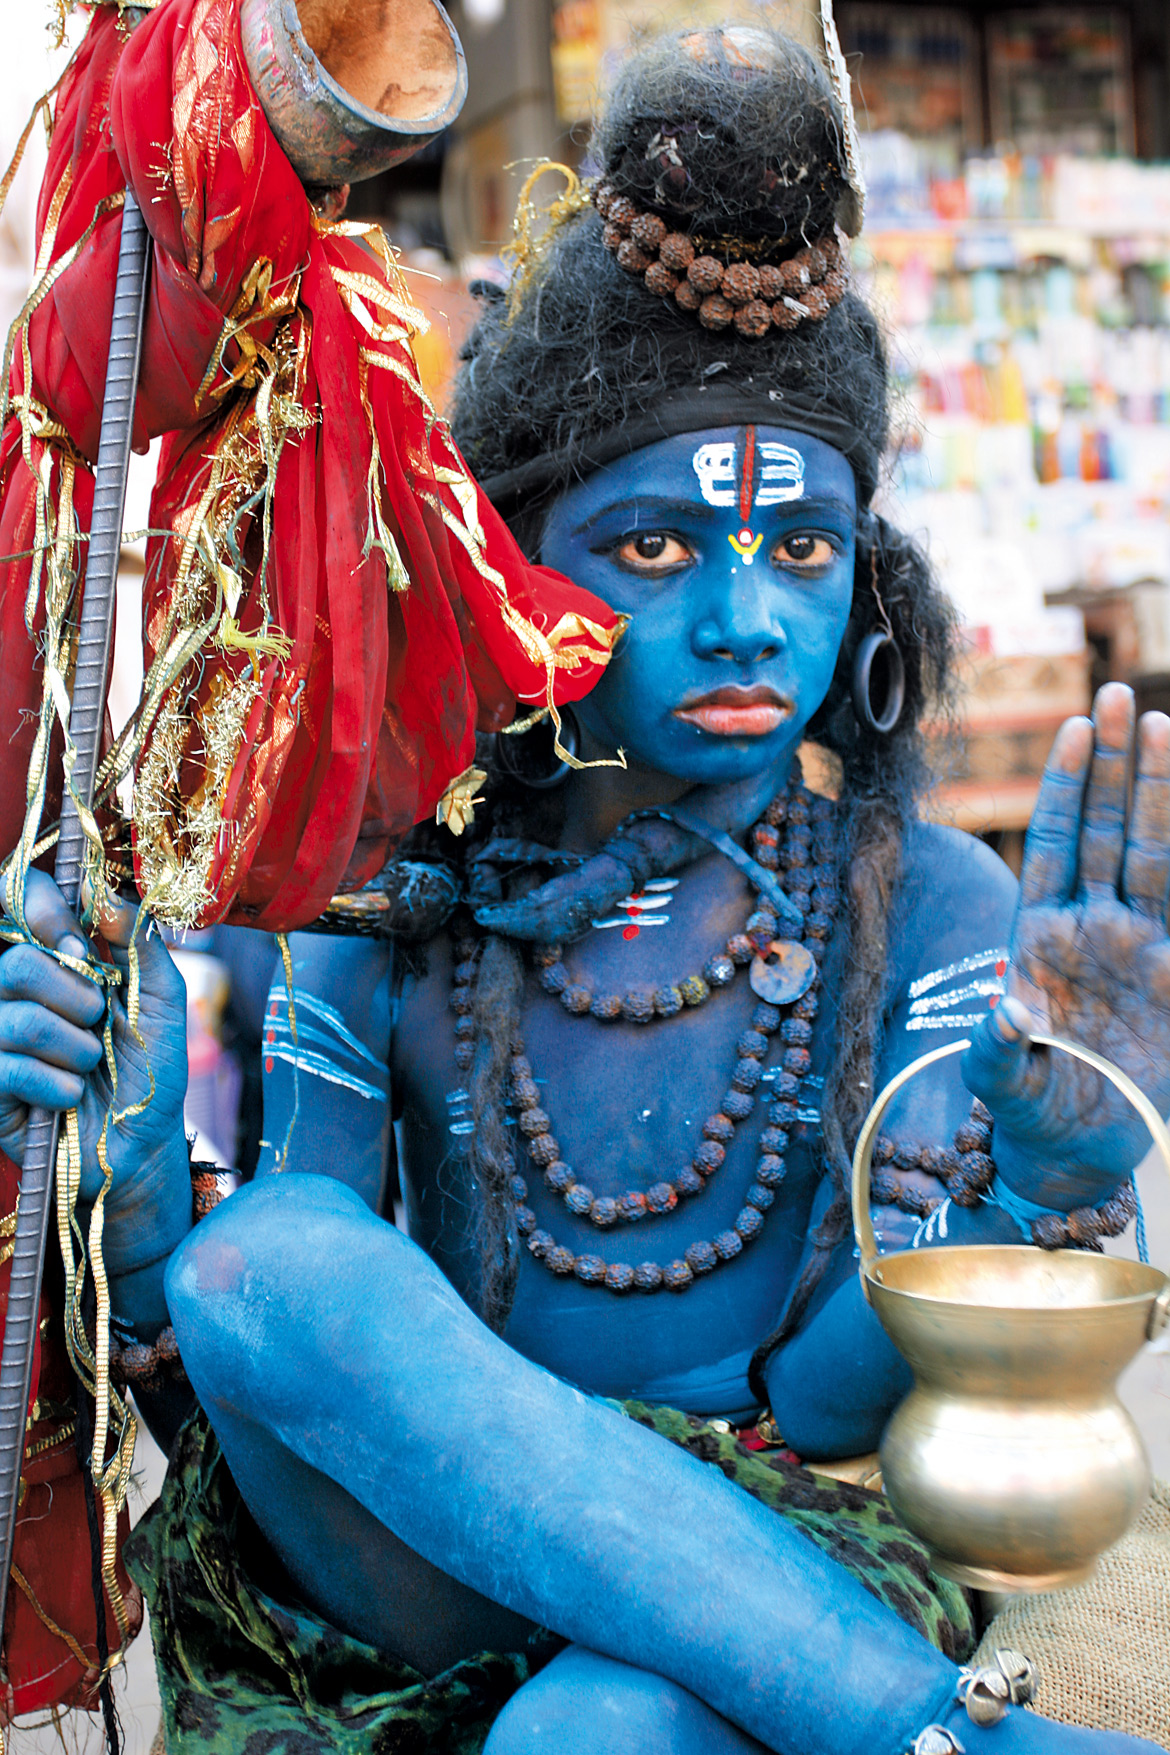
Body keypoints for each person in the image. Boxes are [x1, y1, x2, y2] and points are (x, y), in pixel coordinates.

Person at [1, 23, 1168, 1755]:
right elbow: (249, 1344)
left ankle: (907, 1721)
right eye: (651, 545)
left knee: (595, 1734)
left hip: (777, 1552)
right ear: (510, 571)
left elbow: (825, 1395)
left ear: (868, 583)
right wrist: (137, 1182)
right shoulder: (393, 906)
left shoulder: (917, 899)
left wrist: (1043, 1181)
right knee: (270, 1263)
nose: (745, 613)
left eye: (800, 549)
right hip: (405, 1554)